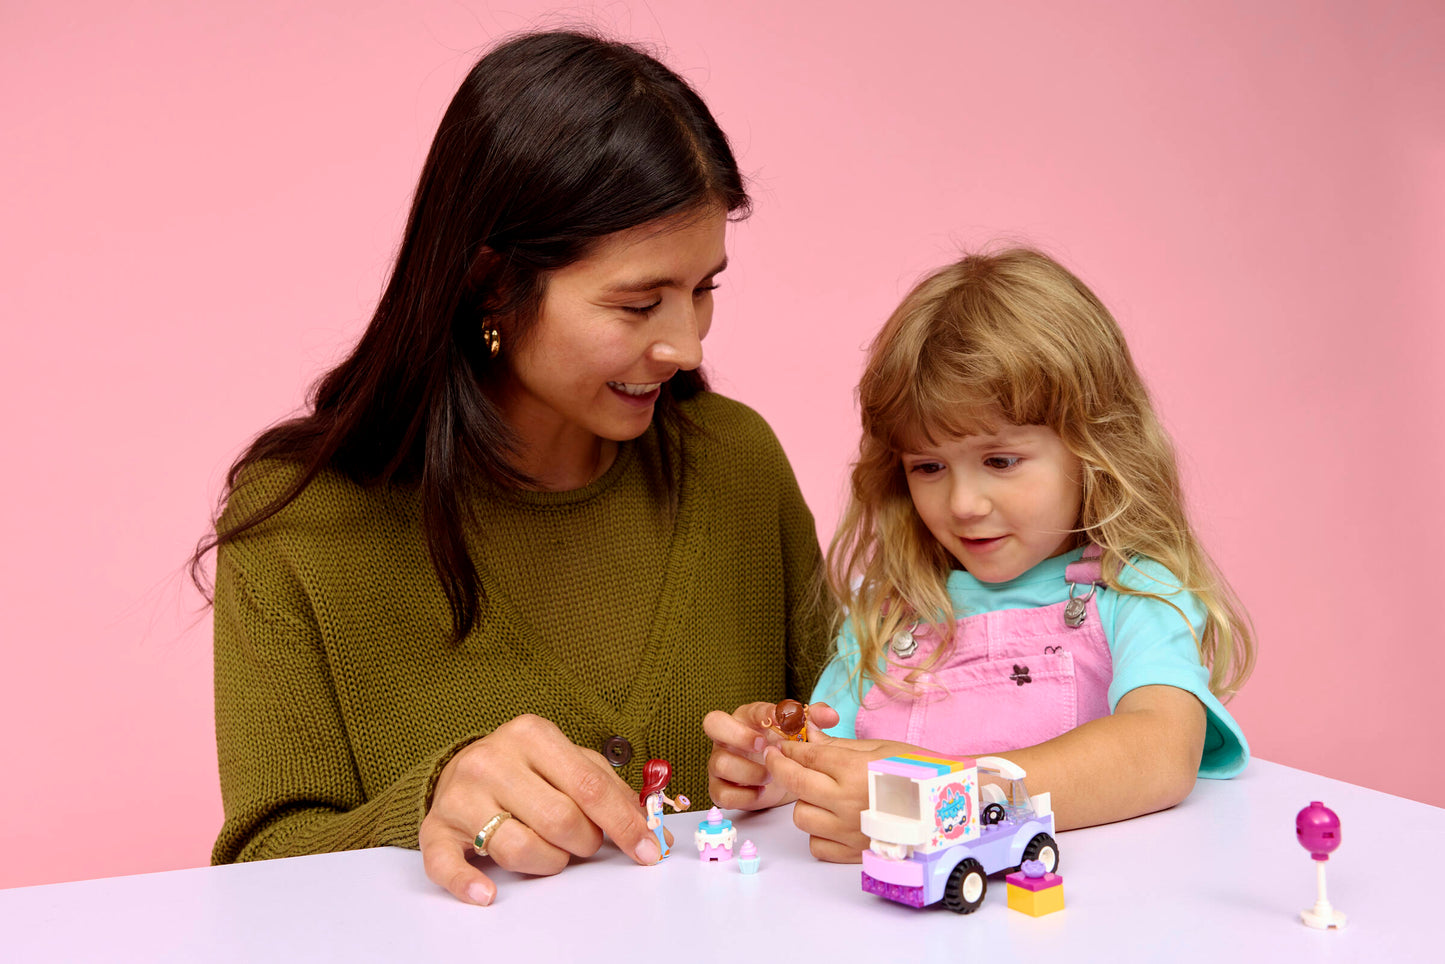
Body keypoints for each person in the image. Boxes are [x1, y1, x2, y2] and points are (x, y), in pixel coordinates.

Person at [196, 30, 829, 905]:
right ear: (493, 281)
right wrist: (428, 801)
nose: (684, 345)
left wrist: (794, 755)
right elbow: (258, 872)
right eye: (639, 301)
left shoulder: (737, 465)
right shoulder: (299, 526)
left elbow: (855, 724)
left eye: (705, 289)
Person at [704, 247, 1255, 860]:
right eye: (929, 466)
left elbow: (1159, 752)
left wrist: (949, 800)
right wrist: (776, 767)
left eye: (1000, 461)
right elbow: (831, 760)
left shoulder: (1132, 592)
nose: (964, 503)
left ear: (1094, 448)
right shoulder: (887, 616)